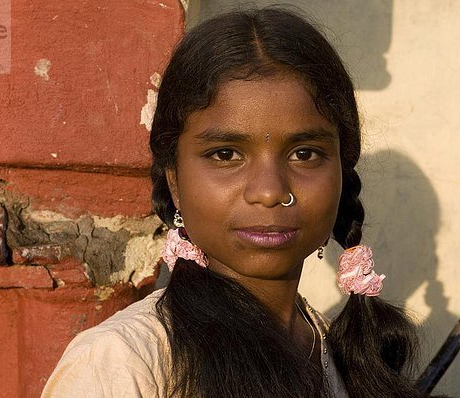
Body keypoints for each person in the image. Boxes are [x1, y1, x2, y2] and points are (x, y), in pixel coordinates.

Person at [42, 7, 428, 398]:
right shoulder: (122, 363)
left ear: (342, 173)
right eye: (226, 154)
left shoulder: (330, 350)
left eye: (305, 154)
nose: (269, 190)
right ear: (174, 180)